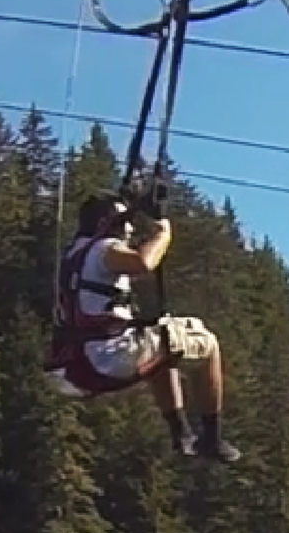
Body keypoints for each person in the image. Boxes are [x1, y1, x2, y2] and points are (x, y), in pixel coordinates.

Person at [45, 191, 240, 462]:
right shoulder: (104, 249)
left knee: (162, 343)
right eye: (125, 222)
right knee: (208, 344)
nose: (130, 229)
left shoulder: (75, 254)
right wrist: (163, 233)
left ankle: (181, 433)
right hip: (110, 356)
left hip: (83, 362)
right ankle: (212, 437)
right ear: (104, 223)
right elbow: (143, 263)